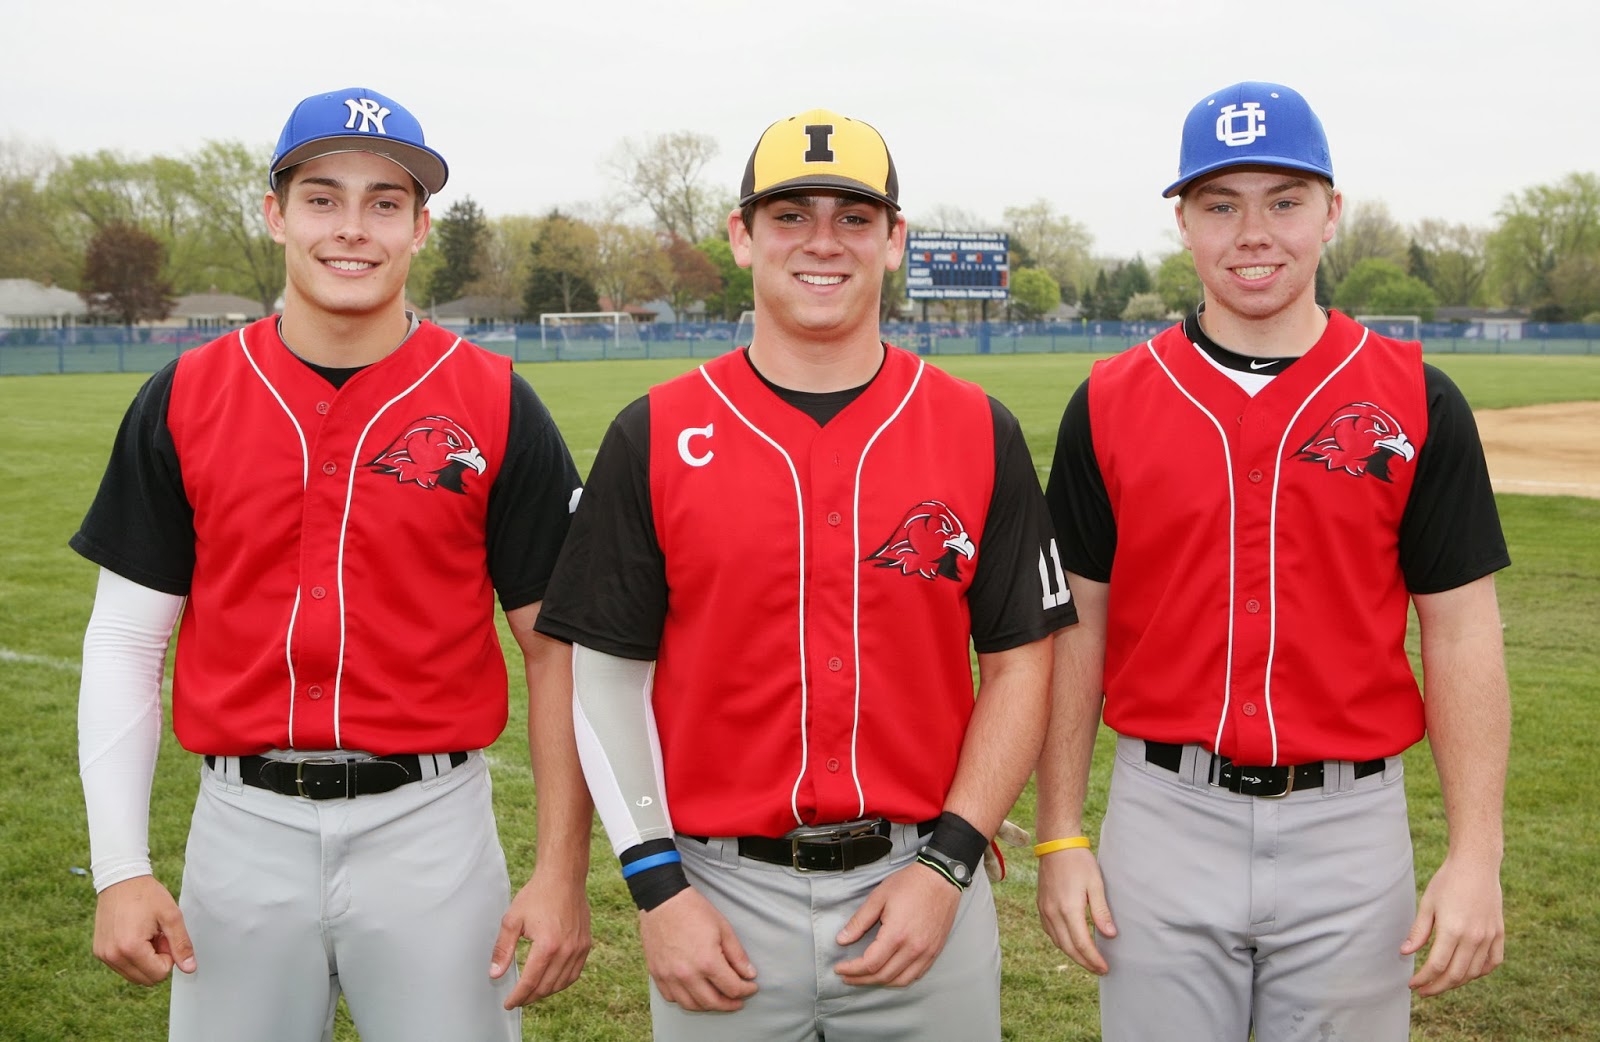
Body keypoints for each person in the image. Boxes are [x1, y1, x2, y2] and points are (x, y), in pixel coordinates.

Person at [534, 108, 1075, 1041]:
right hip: (717, 898)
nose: (822, 242)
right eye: (790, 215)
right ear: (742, 236)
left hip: (919, 889)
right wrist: (657, 888)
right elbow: (606, 674)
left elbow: (1023, 662)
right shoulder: (652, 433)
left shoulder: (977, 428)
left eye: (854, 217)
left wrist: (950, 862)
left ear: (895, 240)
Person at [72, 86, 592, 1041]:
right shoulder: (184, 395)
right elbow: (122, 643)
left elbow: (556, 651)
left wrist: (561, 874)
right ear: (275, 214)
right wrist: (120, 866)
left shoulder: (496, 401)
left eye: (384, 202)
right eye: (322, 197)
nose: (352, 228)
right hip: (241, 826)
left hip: (433, 826)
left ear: (419, 226)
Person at [1033, 81, 1510, 1040]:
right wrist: (1060, 833)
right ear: (1184, 224)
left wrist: (1477, 855)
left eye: (1284, 201)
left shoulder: (1419, 400)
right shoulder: (1111, 401)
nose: (1255, 232)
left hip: (1351, 825)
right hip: (1163, 815)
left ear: (1333, 212)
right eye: (1222, 204)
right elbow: (1072, 628)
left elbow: (1459, 633)